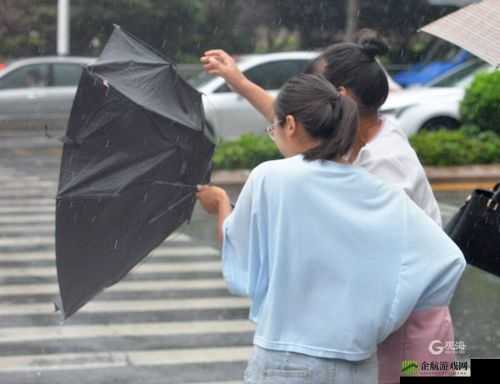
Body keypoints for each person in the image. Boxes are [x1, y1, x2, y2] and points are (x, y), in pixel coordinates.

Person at [200, 33, 455, 382]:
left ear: (340, 99)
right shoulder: (367, 147)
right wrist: (240, 82)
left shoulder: (382, 166)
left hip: (404, 342)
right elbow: (292, 127)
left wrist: (378, 317)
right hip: (360, 352)